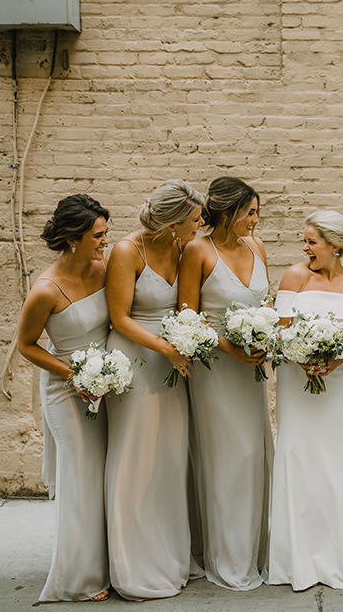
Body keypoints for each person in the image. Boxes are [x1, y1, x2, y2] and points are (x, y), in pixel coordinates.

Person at [104, 180, 206, 600]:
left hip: (171, 359)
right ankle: (133, 563)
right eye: (196, 220)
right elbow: (119, 317)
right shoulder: (128, 251)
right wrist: (167, 347)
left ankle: (169, 554)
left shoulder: (181, 247)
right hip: (137, 359)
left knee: (168, 457)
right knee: (136, 456)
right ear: (174, 223)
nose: (200, 226)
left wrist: (185, 340)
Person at [266, 211, 343, 591]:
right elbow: (281, 329)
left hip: (338, 380)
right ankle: (296, 555)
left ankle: (341, 551)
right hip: (297, 380)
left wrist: (332, 361)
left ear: (336, 245)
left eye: (312, 241)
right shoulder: (294, 276)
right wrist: (302, 358)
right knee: (297, 454)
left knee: (337, 457)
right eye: (305, 240)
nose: (305, 248)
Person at [16, 194, 112, 602]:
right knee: (81, 477)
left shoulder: (104, 269)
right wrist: (75, 374)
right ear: (73, 238)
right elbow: (27, 346)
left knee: (105, 474)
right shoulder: (45, 290)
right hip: (65, 388)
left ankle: (109, 561)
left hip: (107, 384)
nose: (106, 241)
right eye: (98, 235)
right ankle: (78, 578)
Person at [178, 176, 271, 591]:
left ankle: (257, 550)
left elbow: (266, 305)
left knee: (253, 453)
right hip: (215, 370)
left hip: (250, 370)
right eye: (249, 212)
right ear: (230, 212)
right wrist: (230, 348)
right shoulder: (198, 250)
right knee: (225, 459)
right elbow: (187, 315)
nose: (255, 219)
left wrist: (266, 335)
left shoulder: (257, 247)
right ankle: (226, 555)